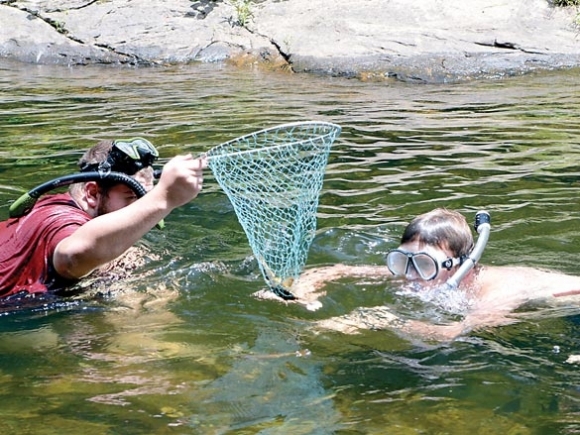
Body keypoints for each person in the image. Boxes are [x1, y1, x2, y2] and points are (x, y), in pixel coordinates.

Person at [279, 208, 580, 341]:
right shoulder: (419, 271)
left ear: (463, 267)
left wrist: (382, 320)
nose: (410, 275)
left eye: (424, 265)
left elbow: (454, 334)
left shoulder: (497, 292)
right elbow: (338, 270)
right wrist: (300, 290)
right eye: (403, 261)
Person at [0, 138, 206, 299]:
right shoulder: (60, 220)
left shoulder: (54, 204)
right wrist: (164, 198)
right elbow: (72, 256)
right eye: (132, 197)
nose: (141, 209)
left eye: (146, 198)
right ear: (91, 193)